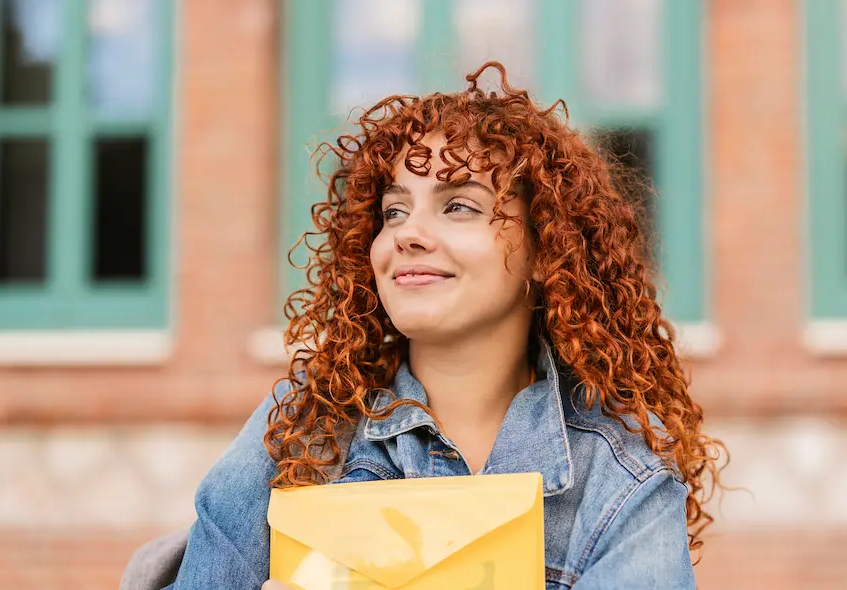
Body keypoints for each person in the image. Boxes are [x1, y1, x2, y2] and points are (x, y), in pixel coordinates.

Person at [166, 62, 726, 589]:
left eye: (458, 206)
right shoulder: (301, 426)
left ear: (544, 249)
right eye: (394, 211)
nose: (409, 233)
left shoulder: (619, 468)